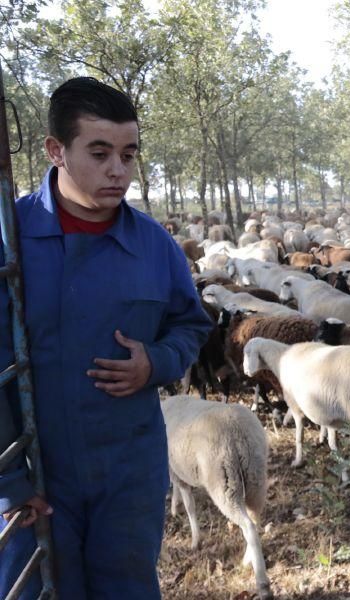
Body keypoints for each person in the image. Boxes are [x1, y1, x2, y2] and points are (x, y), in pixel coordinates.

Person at [0, 77, 211, 598]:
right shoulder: (11, 239)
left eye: (128, 154)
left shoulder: (153, 245)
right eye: (99, 153)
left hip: (128, 470)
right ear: (56, 151)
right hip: (36, 470)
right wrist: (8, 484)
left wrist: (157, 362)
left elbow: (191, 324)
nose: (118, 171)